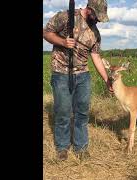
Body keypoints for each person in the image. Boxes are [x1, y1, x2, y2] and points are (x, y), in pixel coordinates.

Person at [43, 0, 113, 161]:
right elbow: (46, 32)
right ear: (89, 9)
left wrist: (106, 79)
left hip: (83, 75)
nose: (99, 20)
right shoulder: (66, 17)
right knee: (63, 112)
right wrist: (62, 41)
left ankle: (81, 148)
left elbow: (95, 56)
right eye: (97, 16)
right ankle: (62, 147)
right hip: (61, 73)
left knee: (82, 113)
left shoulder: (95, 32)